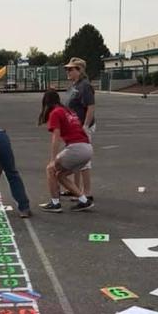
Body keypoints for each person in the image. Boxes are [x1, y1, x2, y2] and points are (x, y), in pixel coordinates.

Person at [38, 89, 93, 213]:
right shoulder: (68, 111)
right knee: (60, 175)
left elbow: (55, 137)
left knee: (50, 169)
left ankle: (55, 203)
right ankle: (84, 201)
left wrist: (53, 159)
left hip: (77, 148)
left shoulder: (55, 113)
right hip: (87, 148)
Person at [61, 57, 96, 204]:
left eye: (71, 69)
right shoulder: (74, 85)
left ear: (79, 70)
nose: (68, 71)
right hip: (73, 127)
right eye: (67, 69)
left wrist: (85, 126)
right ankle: (75, 189)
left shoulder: (85, 86)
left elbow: (91, 107)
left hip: (82, 126)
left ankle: (86, 193)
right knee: (75, 159)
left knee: (84, 161)